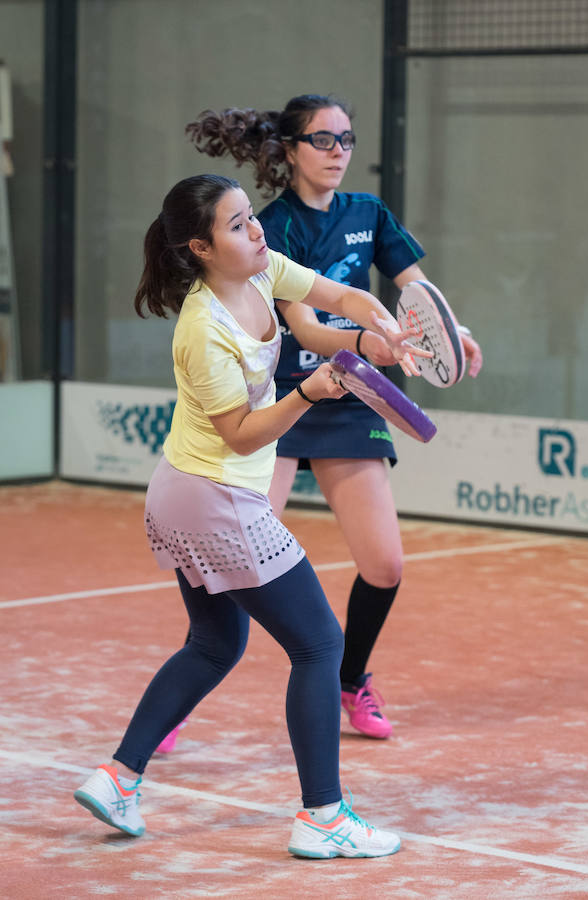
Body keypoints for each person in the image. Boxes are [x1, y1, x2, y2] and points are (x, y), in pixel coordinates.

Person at [73, 173, 432, 858]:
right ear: (201, 247)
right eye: (237, 224)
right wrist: (310, 392)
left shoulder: (263, 271)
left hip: (183, 492)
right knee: (320, 646)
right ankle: (323, 817)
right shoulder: (201, 329)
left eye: (250, 217)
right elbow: (241, 433)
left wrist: (379, 334)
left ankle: (118, 778)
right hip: (213, 498)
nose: (256, 230)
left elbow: (334, 300)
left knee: (214, 644)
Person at [184, 94, 483, 742]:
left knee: (384, 566)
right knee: (233, 555)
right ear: (289, 149)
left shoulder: (367, 212)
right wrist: (365, 344)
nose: (337, 152)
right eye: (322, 140)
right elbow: (307, 326)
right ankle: (188, 682)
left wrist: (451, 332)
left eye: (345, 140)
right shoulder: (272, 227)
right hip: (282, 401)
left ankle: (351, 680)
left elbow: (413, 288)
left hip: (351, 399)